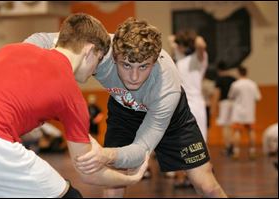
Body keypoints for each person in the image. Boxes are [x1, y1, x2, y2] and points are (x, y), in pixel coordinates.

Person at [24, 17, 227, 198]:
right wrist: (18, 66)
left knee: (206, 185)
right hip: (124, 109)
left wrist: (107, 154)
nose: (134, 77)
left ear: (155, 62)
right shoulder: (100, 48)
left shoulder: (167, 89)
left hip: (170, 116)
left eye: (143, 67)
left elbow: (141, 149)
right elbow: (41, 40)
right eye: (126, 65)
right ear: (112, 56)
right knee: (114, 183)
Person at [0, 13, 148, 198]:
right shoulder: (71, 95)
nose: (95, 70)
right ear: (89, 51)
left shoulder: (13, 49)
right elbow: (88, 172)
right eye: (99, 59)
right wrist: (132, 179)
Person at [168, 30, 209, 189]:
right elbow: (171, 41)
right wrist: (178, 41)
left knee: (200, 143)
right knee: (182, 142)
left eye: (180, 45)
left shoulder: (198, 59)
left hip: (197, 105)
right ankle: (186, 178)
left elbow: (201, 44)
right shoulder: (180, 60)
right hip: (182, 104)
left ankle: (204, 178)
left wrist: (190, 38)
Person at [228, 66, 261, 160]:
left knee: (237, 131)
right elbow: (258, 98)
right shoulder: (252, 84)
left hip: (238, 112)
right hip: (250, 112)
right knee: (251, 131)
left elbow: (231, 96)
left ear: (238, 73)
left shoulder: (236, 84)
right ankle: (252, 151)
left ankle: (236, 152)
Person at [211, 61, 236, 157]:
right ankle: (233, 146)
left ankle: (228, 147)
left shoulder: (219, 79)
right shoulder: (233, 79)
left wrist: (213, 108)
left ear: (218, 70)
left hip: (224, 103)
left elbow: (217, 94)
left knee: (225, 126)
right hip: (234, 103)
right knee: (232, 126)